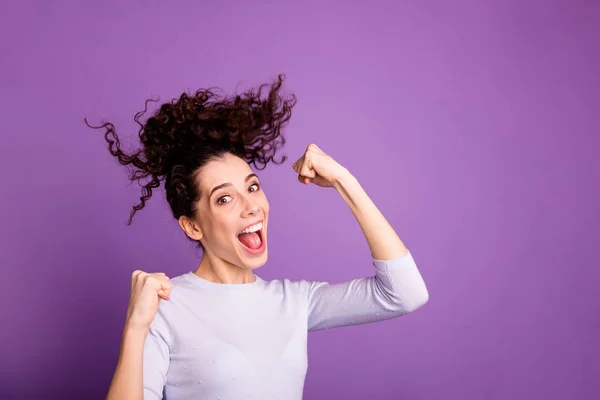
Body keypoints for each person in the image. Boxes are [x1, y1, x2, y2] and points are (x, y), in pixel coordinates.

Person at [86, 75, 429, 400]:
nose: (252, 206)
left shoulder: (294, 302)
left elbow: (404, 294)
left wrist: (344, 181)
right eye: (224, 198)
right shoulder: (166, 307)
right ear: (193, 226)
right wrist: (135, 327)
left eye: (252, 187)